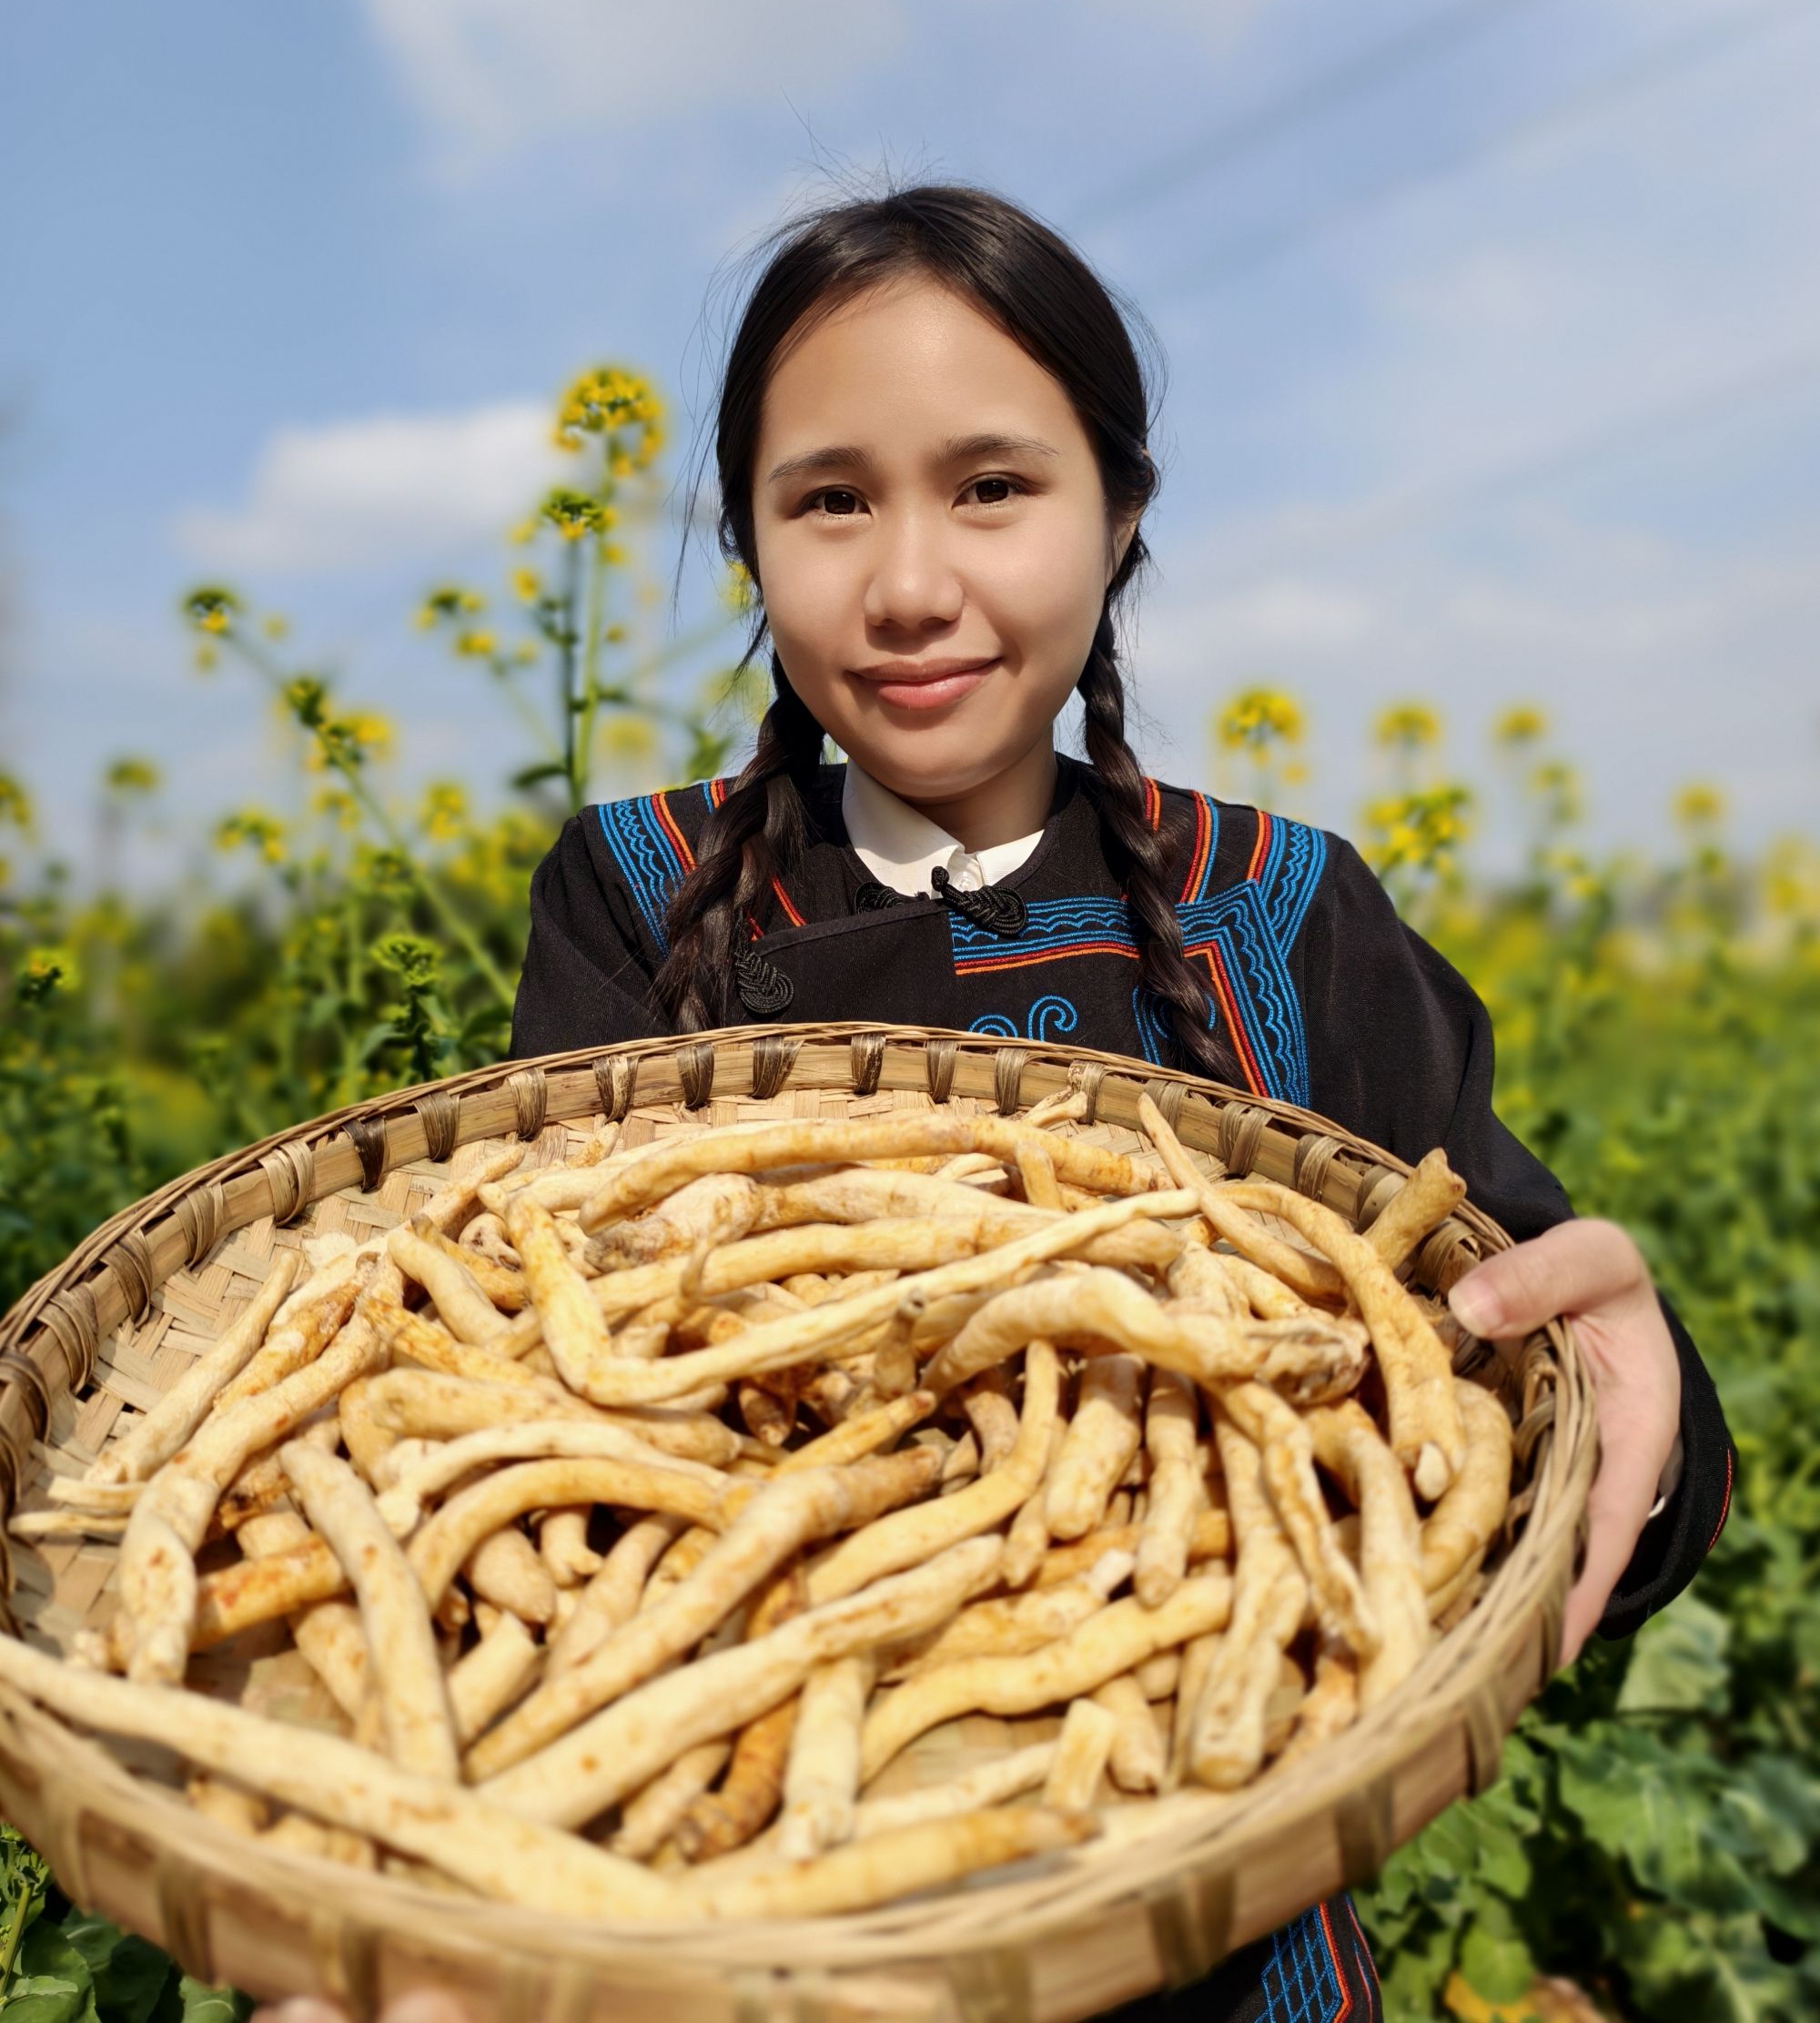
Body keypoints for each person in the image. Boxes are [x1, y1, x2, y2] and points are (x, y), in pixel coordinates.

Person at [269, 184, 1731, 2023]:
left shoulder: (1282, 908)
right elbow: (525, 1386)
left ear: (1119, 517)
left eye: (991, 486)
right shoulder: (631, 893)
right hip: (723, 1926)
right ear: (745, 537)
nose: (905, 582)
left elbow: (1537, 1437)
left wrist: (1636, 1412)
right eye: (827, 499)